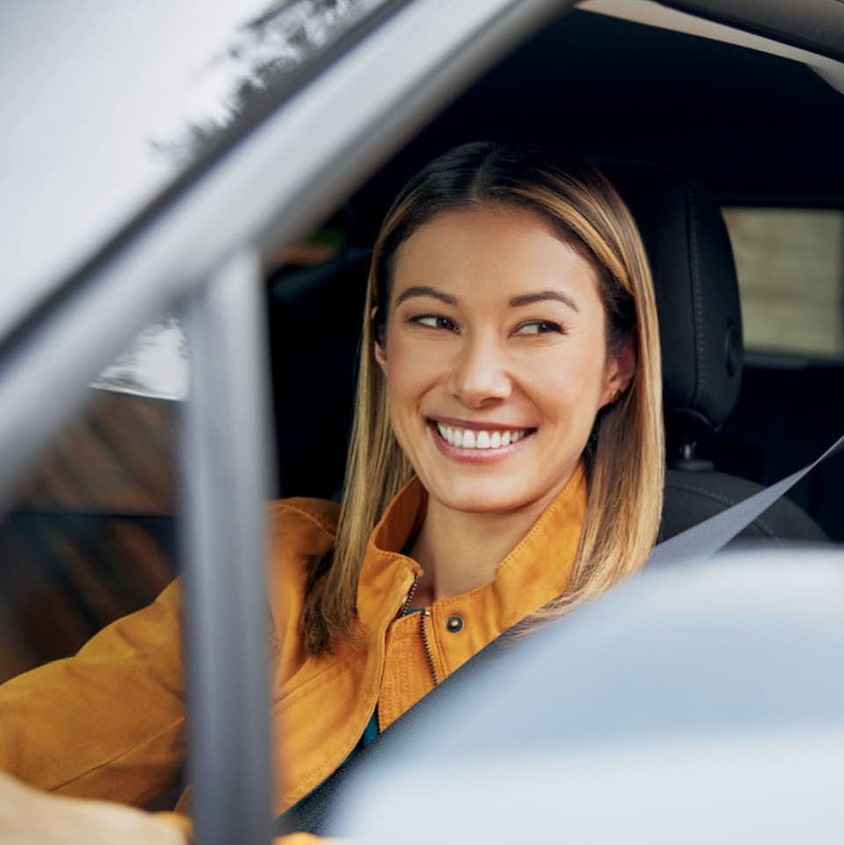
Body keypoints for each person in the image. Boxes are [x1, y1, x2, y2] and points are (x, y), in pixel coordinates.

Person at [0, 141, 665, 842]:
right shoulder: (280, 562)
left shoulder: (654, 652)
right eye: (434, 320)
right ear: (381, 344)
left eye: (538, 328)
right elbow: (53, 735)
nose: (476, 380)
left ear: (617, 366)